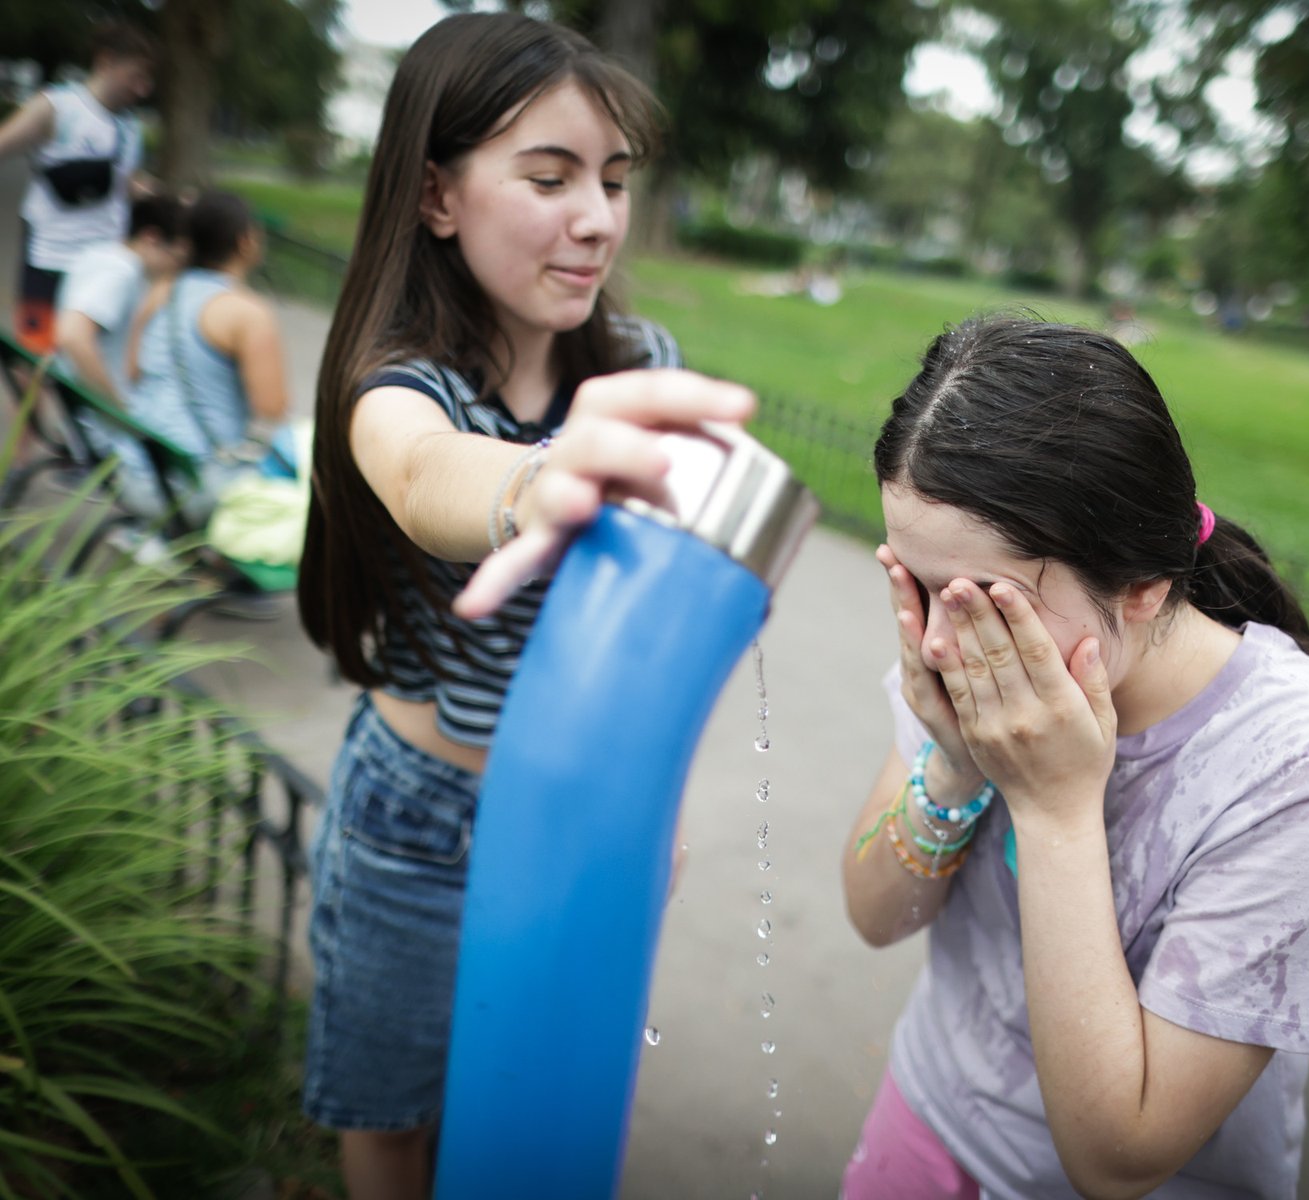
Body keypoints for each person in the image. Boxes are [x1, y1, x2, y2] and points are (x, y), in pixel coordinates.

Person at [292, 14, 752, 1197]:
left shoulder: (641, 362)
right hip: (415, 825)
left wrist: (662, 799)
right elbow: (418, 472)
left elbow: (660, 636)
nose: (595, 219)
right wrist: (542, 478)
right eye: (547, 178)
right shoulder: (399, 385)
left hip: (590, 824)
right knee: (395, 1123)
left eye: (611, 180)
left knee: (531, 1124)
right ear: (438, 195)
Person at [840, 316, 1309, 1200]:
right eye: (913, 580)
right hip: (922, 1129)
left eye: (987, 602)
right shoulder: (981, 666)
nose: (943, 643)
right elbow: (875, 915)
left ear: (1143, 585)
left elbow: (1118, 1156)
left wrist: (1058, 809)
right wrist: (951, 767)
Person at [116, 190, 290, 523]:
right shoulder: (247, 314)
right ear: (245, 241)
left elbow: (133, 371)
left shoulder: (161, 292)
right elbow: (272, 409)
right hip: (194, 488)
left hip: (133, 471)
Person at [0, 20, 156, 354]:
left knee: (84, 364)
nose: (142, 89)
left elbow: (128, 184)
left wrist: (158, 197)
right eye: (136, 76)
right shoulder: (56, 108)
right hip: (48, 259)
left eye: (147, 80)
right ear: (106, 61)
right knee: (32, 363)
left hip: (100, 266)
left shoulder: (131, 128)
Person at [54, 192, 186, 408]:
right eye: (177, 258)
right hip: (99, 425)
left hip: (76, 409)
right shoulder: (122, 270)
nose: (176, 269)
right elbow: (73, 335)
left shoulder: (100, 254)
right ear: (151, 237)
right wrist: (116, 409)